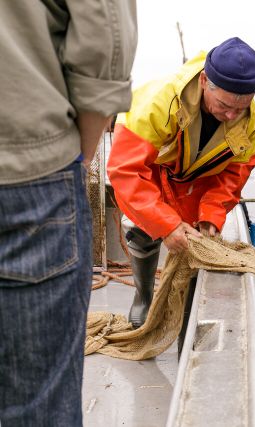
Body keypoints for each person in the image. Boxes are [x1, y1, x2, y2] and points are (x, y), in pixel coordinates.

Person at [0, 1, 137, 425]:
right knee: (37, 405)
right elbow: (106, 29)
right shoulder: (156, 108)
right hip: (29, 173)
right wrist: (79, 153)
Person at [107, 37, 255, 328]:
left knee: (195, 240)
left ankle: (188, 304)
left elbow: (236, 173)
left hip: (198, 179)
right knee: (142, 228)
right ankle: (144, 297)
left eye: (240, 108)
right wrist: (165, 225)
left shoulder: (247, 116)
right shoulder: (158, 101)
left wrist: (212, 213)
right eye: (224, 105)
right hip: (154, 172)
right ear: (204, 81)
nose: (231, 116)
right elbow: (126, 171)